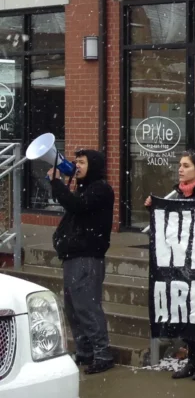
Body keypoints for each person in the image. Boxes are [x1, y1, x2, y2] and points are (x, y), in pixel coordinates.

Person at [144, 151, 195, 381]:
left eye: (186, 165)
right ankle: (194, 358)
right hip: (184, 262)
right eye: (180, 165)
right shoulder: (180, 193)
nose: (180, 169)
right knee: (187, 309)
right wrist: (155, 209)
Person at [49, 149, 115, 375]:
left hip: (87, 257)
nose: (77, 166)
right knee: (73, 308)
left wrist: (56, 183)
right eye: (76, 161)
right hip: (74, 256)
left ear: (93, 166)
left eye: (82, 162)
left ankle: (102, 354)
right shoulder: (85, 188)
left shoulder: (100, 189)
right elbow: (74, 206)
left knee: (86, 307)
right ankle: (85, 352)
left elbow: (77, 205)